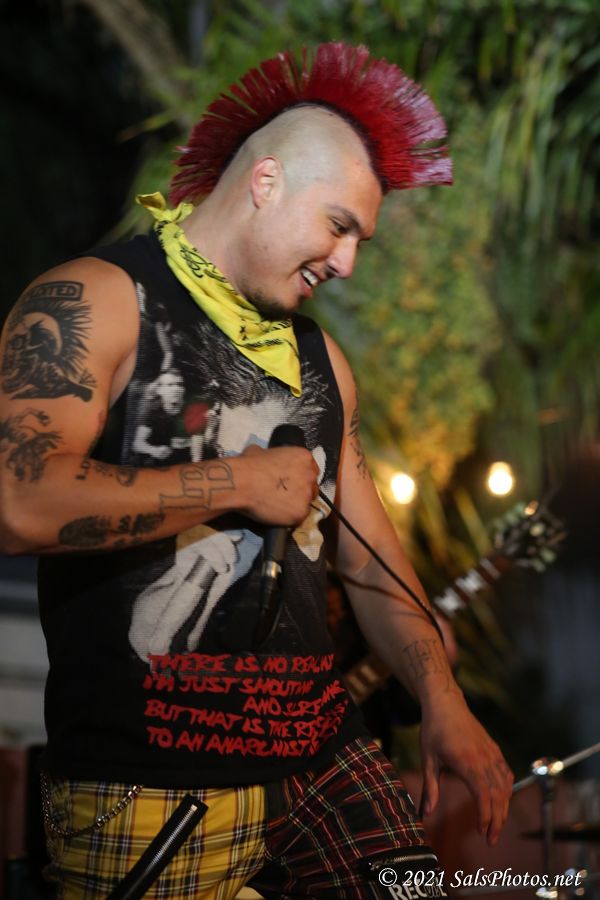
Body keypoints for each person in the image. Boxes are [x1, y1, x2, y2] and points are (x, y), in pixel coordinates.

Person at [0, 42, 513, 899]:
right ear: (266, 181)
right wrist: (236, 483)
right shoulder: (94, 299)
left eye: (359, 241)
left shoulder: (324, 362)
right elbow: (18, 503)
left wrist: (443, 701)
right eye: (339, 226)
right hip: (147, 774)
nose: (347, 262)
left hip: (322, 753)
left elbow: (372, 564)